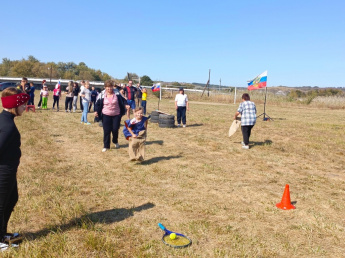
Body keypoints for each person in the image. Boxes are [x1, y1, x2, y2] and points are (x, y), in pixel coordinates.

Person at [0, 87, 30, 250]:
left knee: (11, 200)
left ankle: (2, 233)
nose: (25, 107)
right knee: (1, 204)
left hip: (9, 170)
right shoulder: (8, 126)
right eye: (23, 104)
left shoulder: (6, 119)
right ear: (14, 105)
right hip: (3, 170)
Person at [95, 80, 128, 152]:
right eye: (107, 88)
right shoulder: (102, 94)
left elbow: (123, 100)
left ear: (112, 87)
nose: (109, 89)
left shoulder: (117, 93)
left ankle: (115, 141)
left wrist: (126, 105)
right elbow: (97, 104)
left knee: (115, 129)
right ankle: (106, 146)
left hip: (116, 114)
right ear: (105, 87)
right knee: (106, 130)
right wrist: (96, 111)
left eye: (110, 87)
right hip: (106, 114)